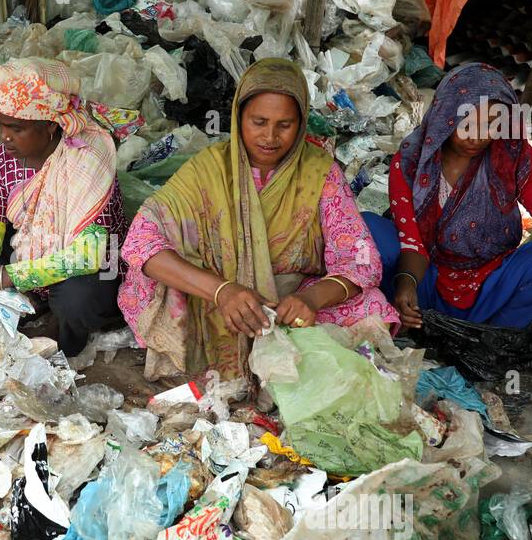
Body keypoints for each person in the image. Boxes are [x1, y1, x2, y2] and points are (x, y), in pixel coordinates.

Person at [119, 57, 397, 381]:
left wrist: (310, 298)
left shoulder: (319, 172)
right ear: (239, 117)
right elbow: (140, 239)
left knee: (374, 307)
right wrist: (222, 291)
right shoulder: (209, 168)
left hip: (285, 305)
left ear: (302, 122)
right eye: (259, 121)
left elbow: (361, 258)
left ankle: (286, 366)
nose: (270, 137)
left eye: (284, 124)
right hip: (215, 301)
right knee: (151, 277)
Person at [363, 63, 532, 331]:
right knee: (367, 230)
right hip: (427, 276)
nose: (478, 136)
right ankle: (407, 313)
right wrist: (406, 281)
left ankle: (496, 333)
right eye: (467, 123)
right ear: (446, 114)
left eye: (492, 124)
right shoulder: (412, 161)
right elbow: (411, 242)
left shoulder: (511, 155)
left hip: (496, 280)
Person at [0, 59, 127, 357]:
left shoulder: (87, 160)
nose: (5, 137)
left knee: (79, 299)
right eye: (1, 125)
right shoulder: (3, 158)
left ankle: (62, 331)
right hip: (32, 250)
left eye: (17, 128)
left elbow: (88, 254)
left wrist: (7, 276)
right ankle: (32, 298)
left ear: (49, 126)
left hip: (89, 263)